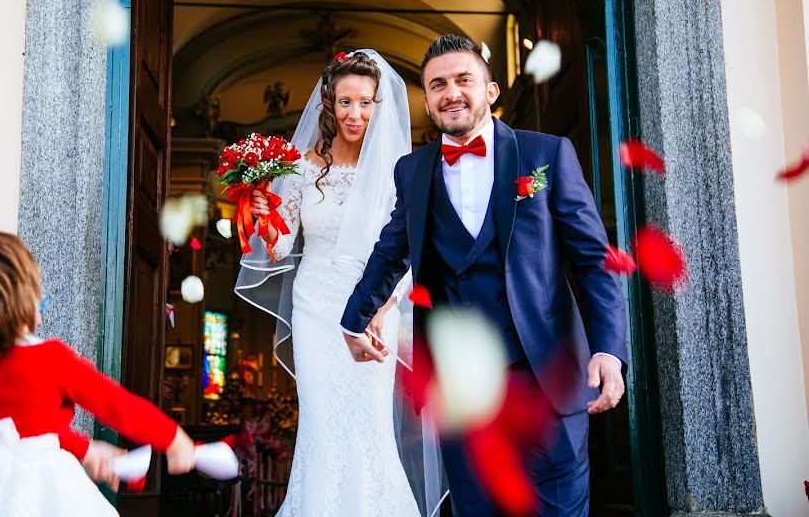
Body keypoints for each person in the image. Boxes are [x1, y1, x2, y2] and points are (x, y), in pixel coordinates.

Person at [341, 35, 628, 516]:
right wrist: (354, 321)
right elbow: (392, 251)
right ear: (428, 101)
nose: (450, 92)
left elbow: (592, 260)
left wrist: (608, 349)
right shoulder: (412, 171)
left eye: (462, 80)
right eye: (437, 85)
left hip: (546, 376)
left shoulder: (547, 155)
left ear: (490, 91)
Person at [236, 50, 444, 516]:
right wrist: (264, 217)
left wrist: (382, 309)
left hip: (376, 307)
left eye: (365, 103)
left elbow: (412, 250)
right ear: (329, 105)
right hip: (314, 310)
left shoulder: (400, 172)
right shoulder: (302, 167)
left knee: (369, 423)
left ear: (379, 105)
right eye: (345, 102)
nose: (355, 114)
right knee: (321, 424)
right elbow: (282, 246)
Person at [0, 230, 196, 516]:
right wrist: (172, 438)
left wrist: (86, 450)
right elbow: (117, 405)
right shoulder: (48, 359)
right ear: (18, 298)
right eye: (37, 288)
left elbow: (18, 433)